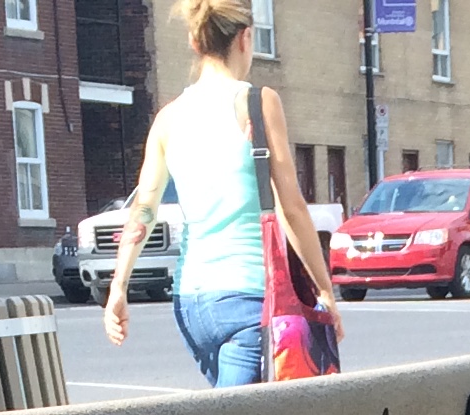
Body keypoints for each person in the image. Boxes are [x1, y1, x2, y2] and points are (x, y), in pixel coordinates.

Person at [103, 0, 335, 387]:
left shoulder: (168, 117)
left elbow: (143, 208)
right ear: (245, 39)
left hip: (192, 305)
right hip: (248, 300)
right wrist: (325, 291)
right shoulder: (257, 102)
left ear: (195, 42)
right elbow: (291, 207)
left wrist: (118, 288)